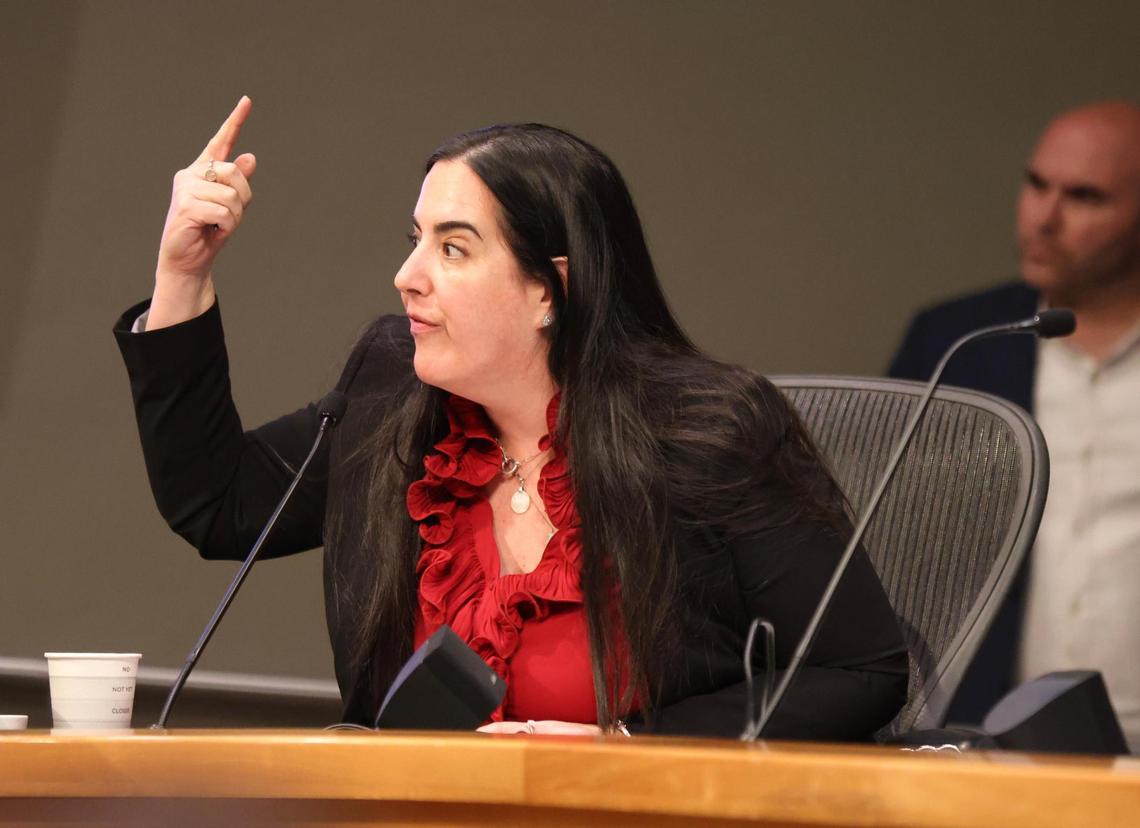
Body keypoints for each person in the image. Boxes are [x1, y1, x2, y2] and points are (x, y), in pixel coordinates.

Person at [115, 97, 907, 738]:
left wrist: (624, 747)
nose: (406, 277)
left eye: (453, 249)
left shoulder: (706, 432)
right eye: (416, 240)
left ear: (548, 292)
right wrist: (181, 273)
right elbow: (219, 506)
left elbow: (859, 670)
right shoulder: (393, 397)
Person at [889, 101, 1140, 749]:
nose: (1044, 218)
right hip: (991, 737)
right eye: (1037, 185)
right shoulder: (960, 341)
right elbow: (894, 543)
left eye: (1085, 197)